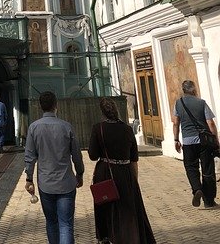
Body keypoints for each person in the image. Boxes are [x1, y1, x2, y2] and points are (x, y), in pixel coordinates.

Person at [88, 98, 156, 244]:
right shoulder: (127, 129)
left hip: (106, 172)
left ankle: (106, 237)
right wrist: (134, 180)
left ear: (102, 113)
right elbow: (134, 158)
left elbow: (93, 156)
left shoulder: (98, 128)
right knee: (128, 209)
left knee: (106, 206)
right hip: (125, 173)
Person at [24, 91, 83, 244]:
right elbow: (76, 154)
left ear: (40, 106)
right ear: (56, 105)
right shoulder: (66, 127)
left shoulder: (33, 128)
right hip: (66, 182)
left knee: (51, 223)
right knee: (66, 224)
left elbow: (29, 157)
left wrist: (29, 179)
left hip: (46, 183)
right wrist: (80, 173)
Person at [172, 79, 219, 209]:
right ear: (194, 89)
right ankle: (209, 201)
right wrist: (216, 140)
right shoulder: (201, 103)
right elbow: (210, 123)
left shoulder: (178, 104)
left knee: (191, 167)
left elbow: (176, 123)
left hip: (187, 142)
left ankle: (197, 189)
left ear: (183, 90)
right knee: (207, 170)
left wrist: (176, 140)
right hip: (203, 141)